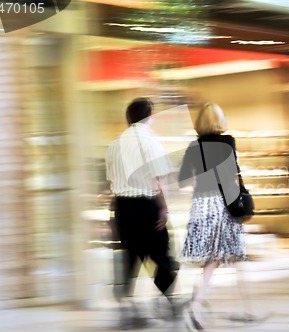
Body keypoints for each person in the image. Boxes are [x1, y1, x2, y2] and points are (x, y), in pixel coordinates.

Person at [105, 97, 181, 328]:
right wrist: (164, 207)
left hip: (121, 207)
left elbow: (112, 180)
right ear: (149, 117)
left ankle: (127, 303)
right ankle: (170, 299)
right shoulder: (151, 140)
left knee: (130, 252)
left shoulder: (115, 144)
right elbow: (159, 178)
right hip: (145, 204)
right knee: (160, 252)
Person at [178, 102, 249, 330]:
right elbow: (233, 174)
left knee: (216, 259)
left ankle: (200, 306)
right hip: (223, 203)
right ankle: (242, 309)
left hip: (201, 205)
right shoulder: (228, 142)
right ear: (220, 120)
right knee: (233, 256)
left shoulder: (193, 146)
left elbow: (183, 181)